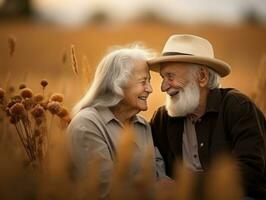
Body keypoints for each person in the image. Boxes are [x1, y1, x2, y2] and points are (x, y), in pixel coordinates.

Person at [148, 34, 266, 199]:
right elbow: (147, 161)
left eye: (171, 76)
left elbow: (251, 173)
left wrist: (185, 186)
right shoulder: (162, 118)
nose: (163, 87)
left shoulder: (238, 108)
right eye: (163, 77)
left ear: (202, 77)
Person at [67, 45, 169, 198]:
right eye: (143, 81)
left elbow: (159, 174)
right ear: (117, 85)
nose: (150, 89)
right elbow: (105, 191)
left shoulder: (142, 126)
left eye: (149, 81)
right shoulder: (87, 125)